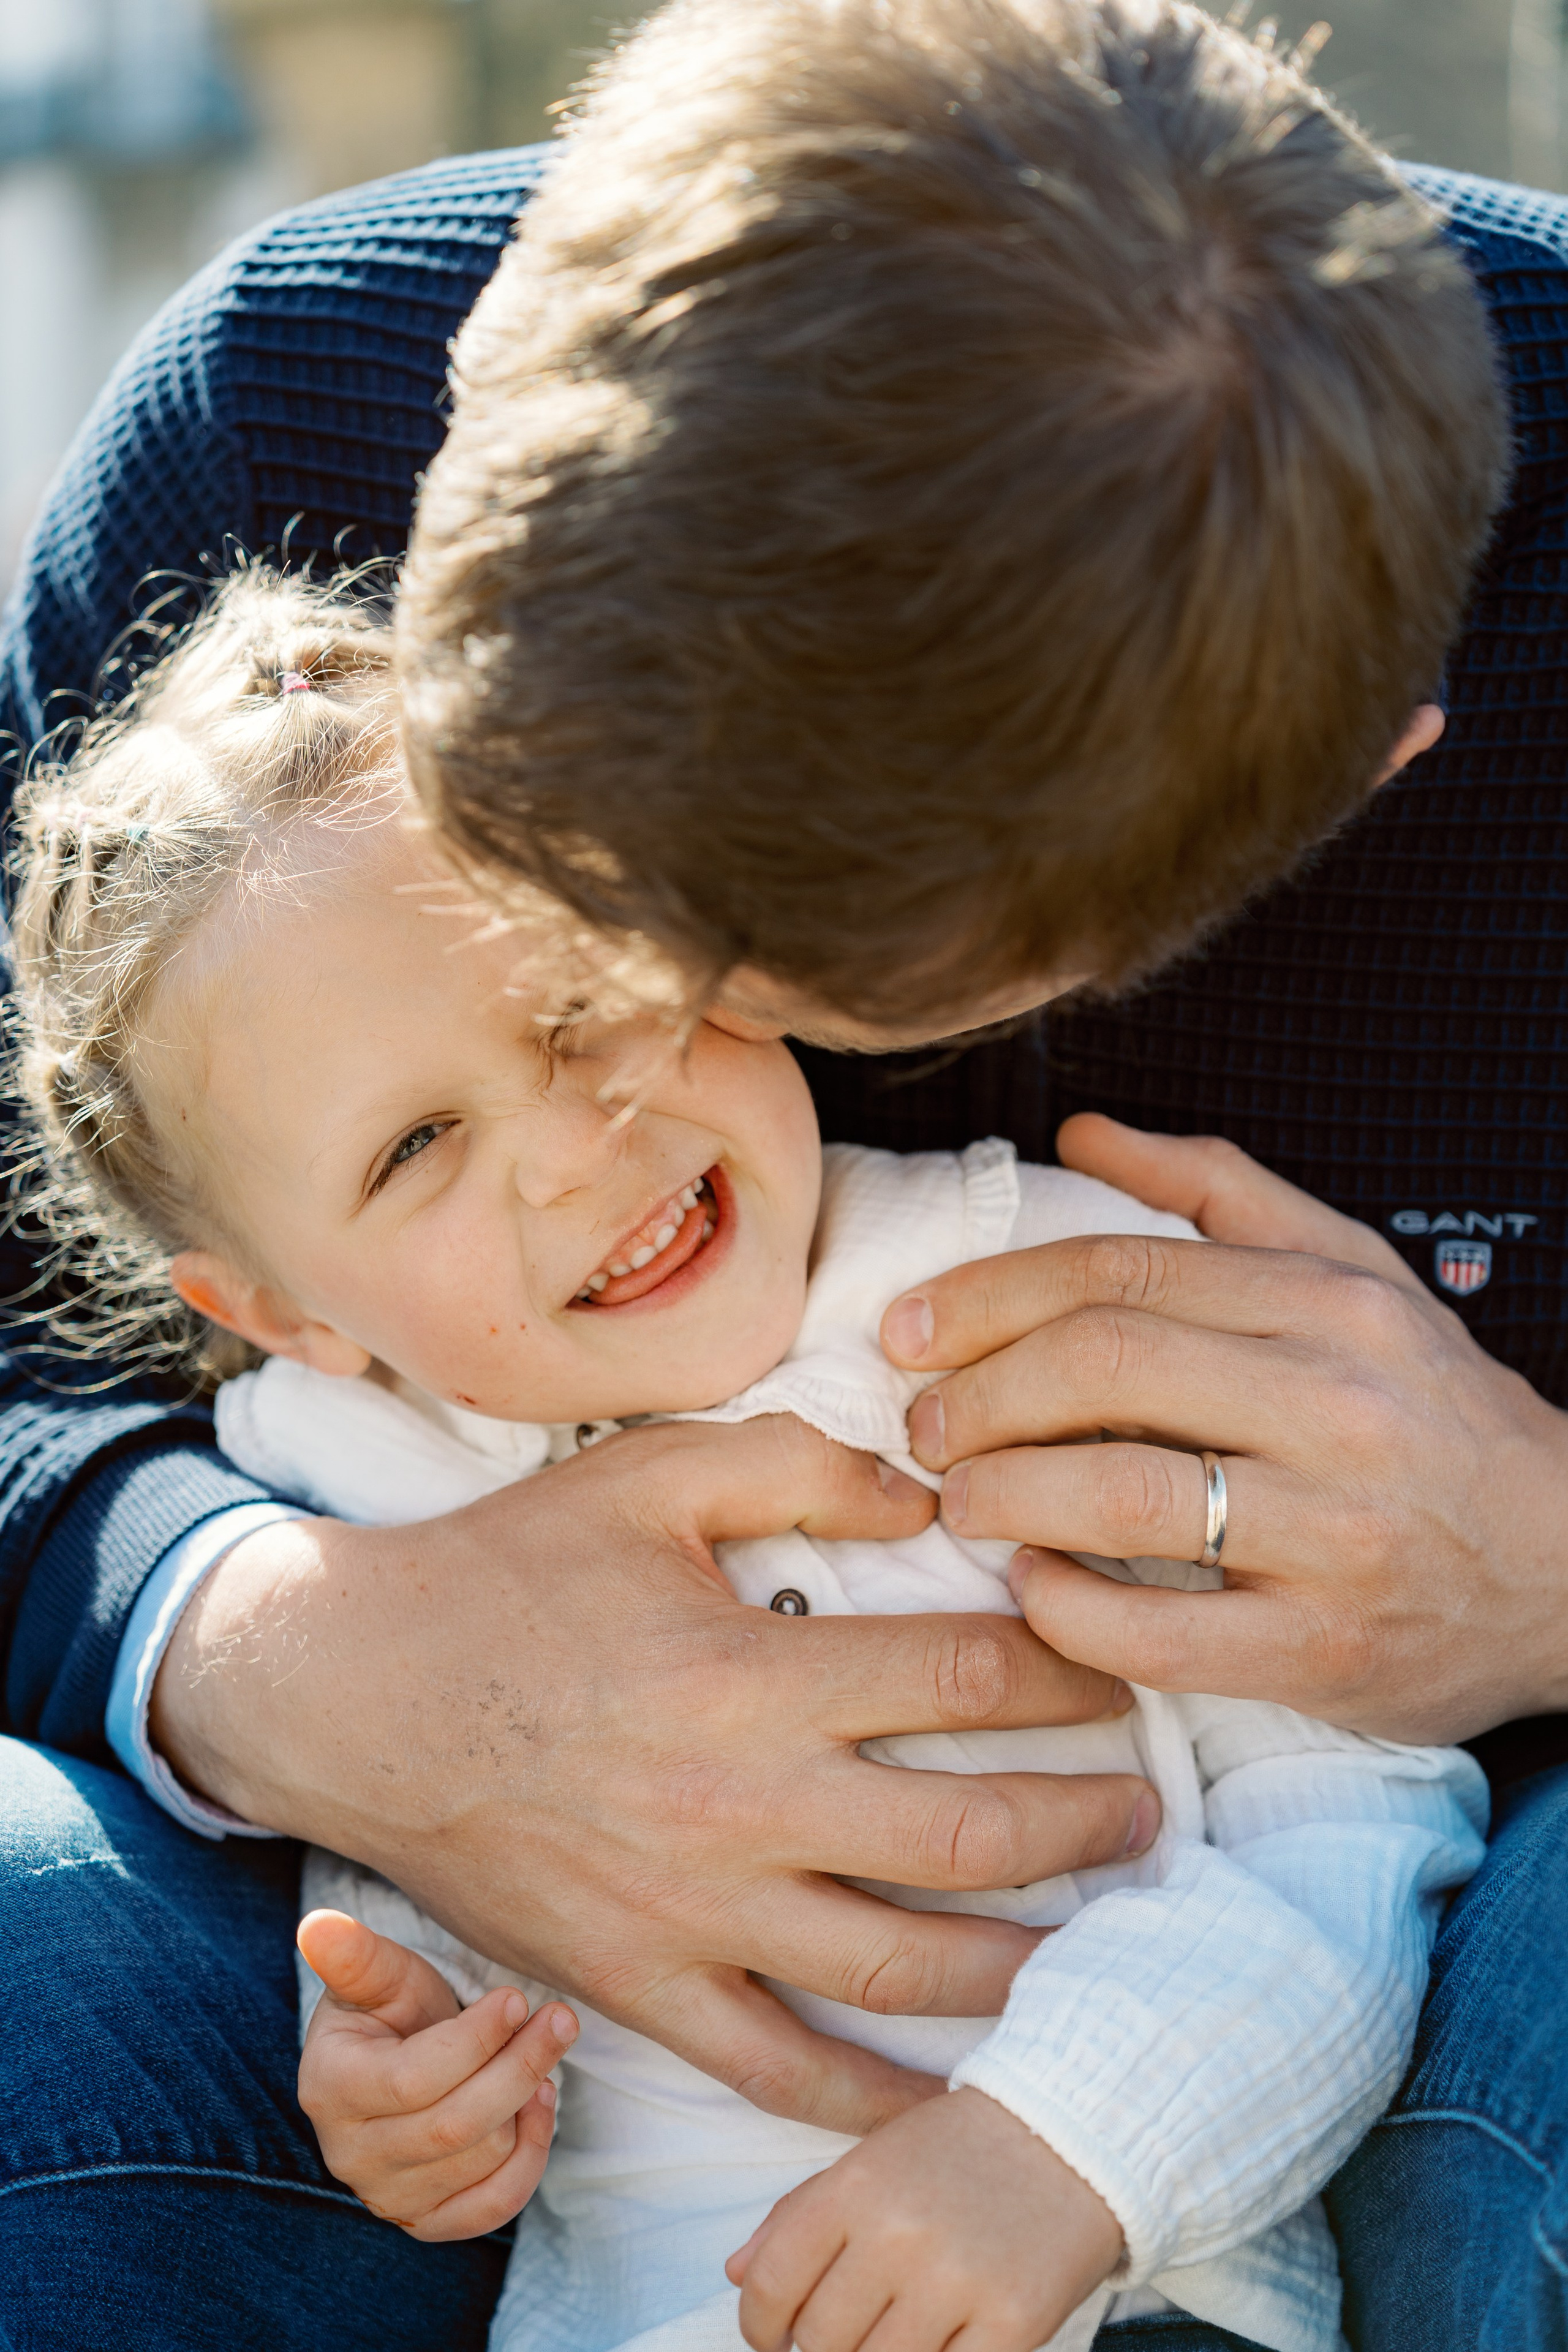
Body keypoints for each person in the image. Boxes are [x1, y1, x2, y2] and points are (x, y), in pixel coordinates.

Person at [0, 2, 1564, 2345]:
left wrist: (1543, 1561)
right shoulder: (286, 404)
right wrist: (277, 1652)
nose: (613, 1108)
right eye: (549, 873)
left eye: (682, 984)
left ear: (1358, 784)